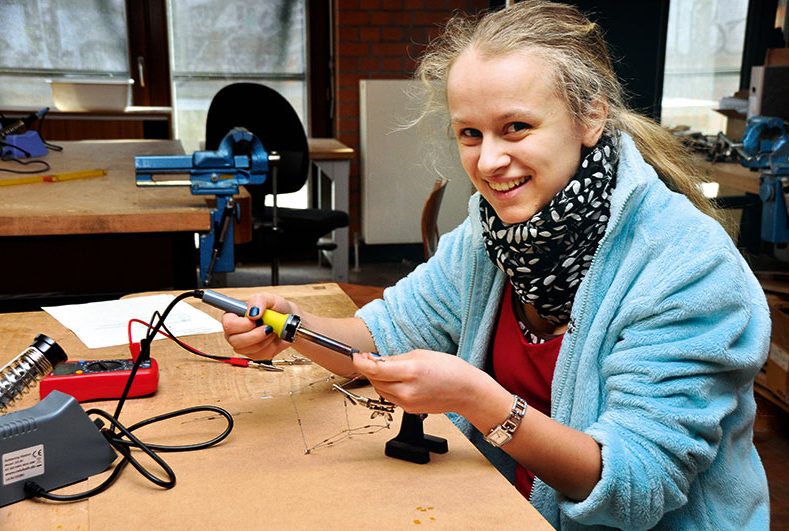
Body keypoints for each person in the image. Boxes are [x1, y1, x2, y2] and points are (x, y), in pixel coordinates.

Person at [222, 2, 770, 529]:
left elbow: (635, 486)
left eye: (516, 128)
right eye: (470, 133)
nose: (487, 162)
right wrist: (293, 326)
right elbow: (381, 333)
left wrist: (478, 401)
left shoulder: (685, 264)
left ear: (591, 115)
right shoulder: (493, 234)